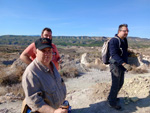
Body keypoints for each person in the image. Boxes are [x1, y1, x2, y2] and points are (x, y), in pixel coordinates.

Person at [22, 38, 67, 113]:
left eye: (49, 50)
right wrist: (54, 112)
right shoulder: (31, 73)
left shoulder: (52, 65)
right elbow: (35, 102)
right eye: (43, 51)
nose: (47, 54)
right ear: (36, 52)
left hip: (59, 108)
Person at [107, 24, 132, 110]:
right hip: (116, 66)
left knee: (120, 83)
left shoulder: (124, 40)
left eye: (127, 31)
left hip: (121, 65)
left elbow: (123, 52)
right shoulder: (113, 41)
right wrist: (124, 64)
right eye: (125, 31)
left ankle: (111, 97)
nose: (127, 32)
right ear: (119, 31)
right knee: (115, 84)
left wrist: (130, 54)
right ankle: (112, 102)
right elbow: (114, 54)